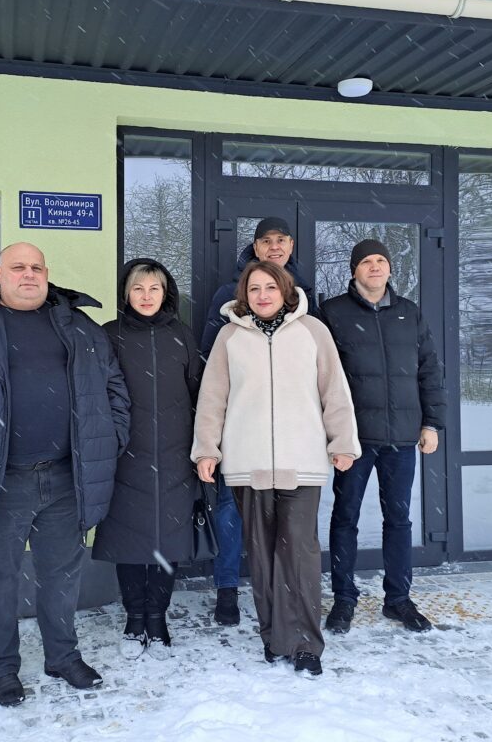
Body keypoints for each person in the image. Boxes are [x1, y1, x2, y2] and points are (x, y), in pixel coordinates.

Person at [0, 242, 130, 708]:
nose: (28, 274)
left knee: (62, 577)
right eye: (18, 267)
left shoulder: (78, 326)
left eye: (36, 267)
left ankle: (63, 657)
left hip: (65, 477)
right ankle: (1, 669)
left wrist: (111, 437)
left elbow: (113, 386)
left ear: (47, 273)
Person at [192, 261, 359, 676]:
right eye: (254, 289)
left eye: (270, 287)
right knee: (263, 557)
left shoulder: (313, 331)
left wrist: (342, 442)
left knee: (298, 553)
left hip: (301, 462)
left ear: (285, 290)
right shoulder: (230, 337)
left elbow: (334, 390)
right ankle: (275, 637)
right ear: (244, 295)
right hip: (247, 463)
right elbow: (213, 397)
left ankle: (305, 644)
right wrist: (207, 450)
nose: (262, 295)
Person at [199, 217, 320, 626]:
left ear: (291, 245)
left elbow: (319, 366)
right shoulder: (229, 294)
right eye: (266, 241)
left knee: (290, 519)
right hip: (243, 426)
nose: (274, 247)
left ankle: (282, 594)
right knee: (231, 511)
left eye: (281, 240)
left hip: (292, 431)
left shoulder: (306, 295)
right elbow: (211, 366)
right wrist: (212, 431)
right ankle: (227, 588)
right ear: (255, 247)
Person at [321, 239, 446, 634]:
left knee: (398, 520)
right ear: (354, 270)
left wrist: (431, 424)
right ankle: (344, 598)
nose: (374, 267)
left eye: (380, 260)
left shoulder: (409, 313)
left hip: (402, 439)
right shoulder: (333, 313)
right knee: (345, 518)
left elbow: (429, 370)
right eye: (366, 262)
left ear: (389, 268)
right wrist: (332, 434)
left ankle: (398, 599)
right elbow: (322, 378)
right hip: (354, 440)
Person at [92, 259, 202, 660]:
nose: (146, 296)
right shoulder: (109, 335)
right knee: (130, 542)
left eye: (154, 288)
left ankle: (158, 618)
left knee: (167, 541)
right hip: (125, 455)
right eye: (137, 288)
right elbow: (97, 393)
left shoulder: (182, 335)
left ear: (166, 292)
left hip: (175, 456)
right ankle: (134, 618)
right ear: (125, 293)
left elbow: (197, 393)